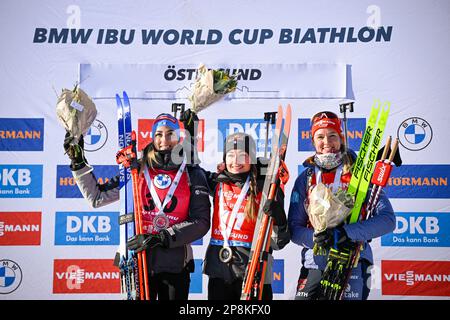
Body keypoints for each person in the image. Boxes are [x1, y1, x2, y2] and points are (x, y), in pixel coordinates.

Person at [63, 112, 211, 300]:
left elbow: (201, 222)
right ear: (152, 137)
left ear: (179, 137)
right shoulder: (136, 169)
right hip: (136, 260)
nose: (164, 140)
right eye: (158, 134)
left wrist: (162, 237)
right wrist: (78, 164)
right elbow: (97, 197)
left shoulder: (191, 173)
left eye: (170, 134)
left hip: (175, 263)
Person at [288, 111, 395, 300]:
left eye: (332, 135)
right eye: (320, 136)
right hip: (315, 263)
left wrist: (346, 233)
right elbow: (294, 229)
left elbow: (387, 220)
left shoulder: (360, 175)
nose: (327, 142)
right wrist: (316, 237)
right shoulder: (306, 178)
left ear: (341, 138)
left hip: (353, 260)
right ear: (313, 141)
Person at [202, 132, 290, 300]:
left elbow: (279, 242)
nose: (236, 161)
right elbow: (190, 172)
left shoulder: (266, 187)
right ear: (224, 159)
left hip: (255, 270)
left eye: (243, 155)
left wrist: (279, 219)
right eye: (231, 155)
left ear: (253, 158)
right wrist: (190, 135)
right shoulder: (217, 183)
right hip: (219, 272)